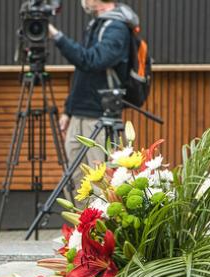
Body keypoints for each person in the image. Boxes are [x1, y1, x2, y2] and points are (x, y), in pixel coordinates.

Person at [49, 1, 137, 193]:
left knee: (102, 187)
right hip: (79, 114)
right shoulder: (96, 24)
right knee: (75, 183)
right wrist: (68, 109)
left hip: (100, 117)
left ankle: (101, 224)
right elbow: (82, 73)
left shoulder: (117, 28)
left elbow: (91, 61)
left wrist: (57, 37)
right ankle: (81, 224)